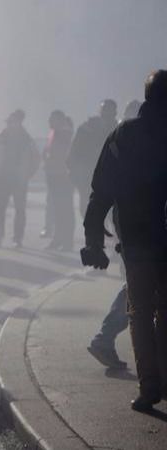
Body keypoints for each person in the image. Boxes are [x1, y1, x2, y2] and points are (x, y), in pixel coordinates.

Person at [81, 71, 167, 413]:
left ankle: (149, 388)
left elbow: (100, 190)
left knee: (141, 313)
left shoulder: (123, 135)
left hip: (137, 240)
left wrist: (93, 239)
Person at [0, 109, 38, 248]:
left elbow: (36, 159)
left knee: (20, 210)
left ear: (19, 122)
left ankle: (18, 239)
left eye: (12, 121)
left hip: (19, 180)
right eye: (8, 122)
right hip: (2, 178)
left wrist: (28, 175)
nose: (9, 124)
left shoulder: (27, 140)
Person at [69, 99, 118, 215]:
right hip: (89, 177)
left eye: (110, 111)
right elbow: (74, 153)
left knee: (110, 215)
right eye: (105, 111)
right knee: (88, 211)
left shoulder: (120, 130)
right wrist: (75, 174)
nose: (107, 114)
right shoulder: (87, 129)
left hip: (111, 179)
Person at [43, 110, 76, 251]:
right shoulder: (53, 133)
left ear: (60, 120)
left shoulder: (65, 134)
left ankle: (67, 242)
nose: (49, 121)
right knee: (57, 210)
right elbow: (48, 151)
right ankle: (58, 239)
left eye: (52, 119)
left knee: (65, 210)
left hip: (63, 177)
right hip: (53, 175)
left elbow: (65, 155)